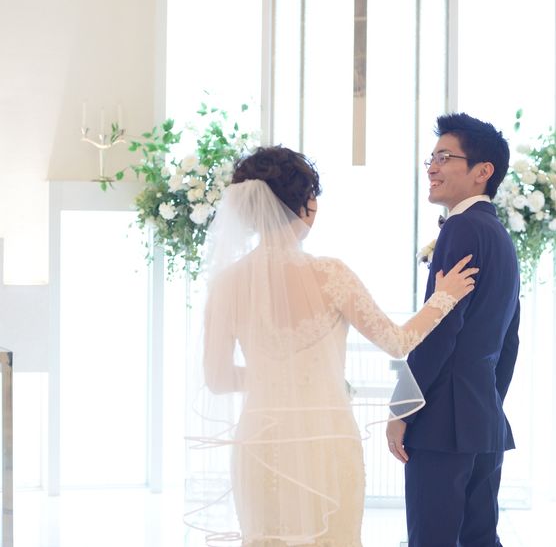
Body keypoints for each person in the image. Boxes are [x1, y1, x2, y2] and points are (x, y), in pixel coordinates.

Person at [185, 145, 478, 546]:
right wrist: (443, 298)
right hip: (327, 441)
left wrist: (276, 377)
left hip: (259, 443)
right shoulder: (330, 275)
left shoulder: (225, 284)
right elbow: (397, 342)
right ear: (305, 205)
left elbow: (218, 379)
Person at [386, 113, 520, 547]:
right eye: (431, 158)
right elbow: (510, 340)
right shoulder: (500, 236)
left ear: (483, 171)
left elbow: (439, 332)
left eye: (445, 157)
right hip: (484, 421)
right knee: (479, 539)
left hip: (441, 425)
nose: (432, 168)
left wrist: (402, 411)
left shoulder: (461, 227)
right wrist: (487, 404)